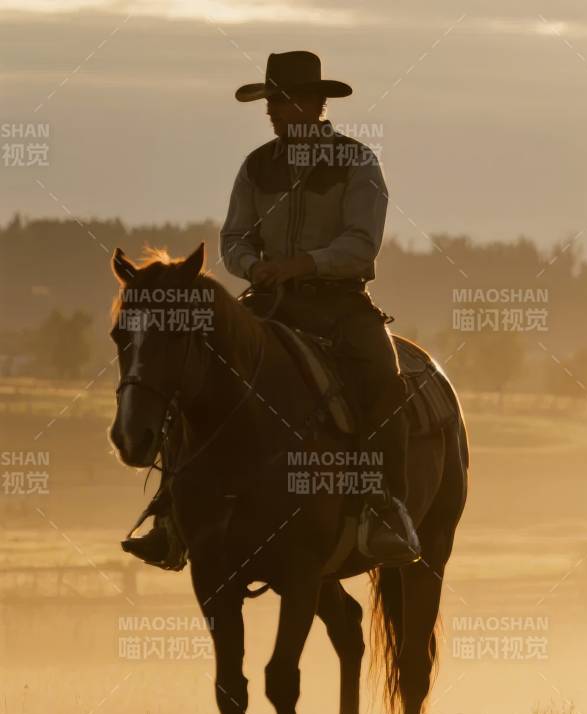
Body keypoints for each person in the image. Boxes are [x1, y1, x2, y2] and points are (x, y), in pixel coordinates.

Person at [121, 50, 419, 569]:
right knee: (193, 371)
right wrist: (253, 265)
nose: (273, 113)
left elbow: (361, 244)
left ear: (313, 103)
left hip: (340, 304)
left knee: (383, 381)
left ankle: (384, 506)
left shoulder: (357, 162)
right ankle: (171, 512)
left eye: (282, 103)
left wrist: (302, 264)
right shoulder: (257, 166)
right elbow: (234, 236)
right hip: (267, 302)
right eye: (271, 103)